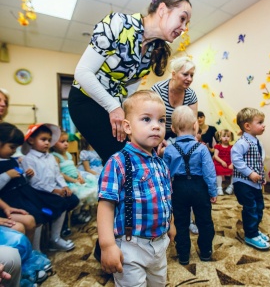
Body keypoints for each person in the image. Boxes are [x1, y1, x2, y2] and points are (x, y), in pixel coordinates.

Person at [68, 0, 192, 165]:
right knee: (119, 159)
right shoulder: (117, 23)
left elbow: (129, 90)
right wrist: (113, 107)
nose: (184, 27)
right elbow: (82, 72)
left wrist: (143, 129)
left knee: (137, 152)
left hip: (115, 107)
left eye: (187, 23)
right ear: (163, 10)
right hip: (86, 99)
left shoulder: (153, 51)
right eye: (182, 18)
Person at [97, 90, 175, 286]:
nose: (156, 126)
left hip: (160, 243)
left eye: (161, 121)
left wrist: (171, 224)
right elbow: (106, 205)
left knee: (158, 282)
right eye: (147, 119)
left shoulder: (161, 164)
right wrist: (107, 245)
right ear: (127, 127)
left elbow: (166, 197)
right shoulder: (118, 162)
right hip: (131, 245)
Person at [163, 105, 217, 265]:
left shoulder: (169, 150)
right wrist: (213, 191)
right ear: (195, 126)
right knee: (204, 220)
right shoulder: (202, 148)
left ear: (172, 128)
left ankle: (183, 254)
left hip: (178, 188)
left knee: (181, 221)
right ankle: (206, 251)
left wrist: (166, 195)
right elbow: (209, 173)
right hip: (199, 187)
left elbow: (165, 175)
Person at [21, 123, 79, 251]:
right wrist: (55, 191)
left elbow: (57, 174)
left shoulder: (51, 157)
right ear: (31, 140)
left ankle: (57, 233)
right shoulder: (28, 159)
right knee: (60, 202)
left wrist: (64, 186)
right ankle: (54, 239)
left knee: (72, 199)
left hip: (53, 189)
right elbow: (35, 182)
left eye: (48, 140)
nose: (47, 143)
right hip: (38, 192)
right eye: (43, 140)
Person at [231, 107, 270, 250]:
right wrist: (249, 173)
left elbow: (258, 161)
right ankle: (250, 235)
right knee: (251, 207)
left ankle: (254, 230)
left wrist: (261, 177)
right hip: (243, 182)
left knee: (259, 206)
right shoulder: (242, 143)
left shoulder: (256, 142)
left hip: (255, 183)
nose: (263, 125)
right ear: (247, 126)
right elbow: (236, 159)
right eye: (260, 122)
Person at [51, 131, 96, 233]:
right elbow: (59, 174)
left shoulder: (68, 154)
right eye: (62, 141)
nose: (66, 143)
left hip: (76, 178)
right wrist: (74, 180)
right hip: (68, 182)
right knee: (79, 195)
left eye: (66, 141)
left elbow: (74, 167)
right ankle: (76, 215)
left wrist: (79, 176)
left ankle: (79, 212)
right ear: (53, 144)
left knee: (90, 190)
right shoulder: (55, 157)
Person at [151, 56, 197, 141]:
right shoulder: (158, 89)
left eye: (192, 75)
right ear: (174, 74)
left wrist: (192, 139)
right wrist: (160, 139)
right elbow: (152, 118)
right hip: (157, 130)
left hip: (179, 134)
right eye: (185, 74)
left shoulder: (191, 95)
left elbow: (194, 122)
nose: (190, 79)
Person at [214, 129, 234, 196]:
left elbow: (234, 157)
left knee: (235, 170)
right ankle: (219, 187)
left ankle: (231, 186)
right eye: (224, 136)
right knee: (218, 170)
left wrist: (232, 164)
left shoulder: (232, 147)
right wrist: (222, 162)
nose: (226, 138)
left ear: (230, 137)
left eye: (228, 136)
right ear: (220, 137)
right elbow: (215, 156)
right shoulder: (218, 146)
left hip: (229, 163)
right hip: (219, 162)